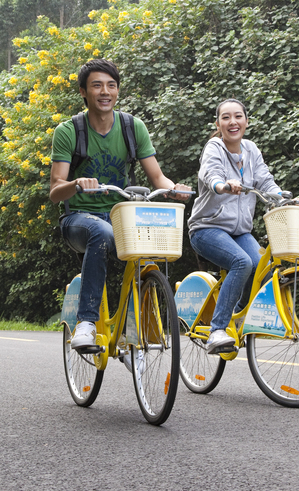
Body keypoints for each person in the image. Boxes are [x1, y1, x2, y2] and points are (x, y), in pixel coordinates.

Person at [49, 59, 190, 352]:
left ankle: (133, 329)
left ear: (117, 91)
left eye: (111, 85)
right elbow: (55, 190)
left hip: (122, 215)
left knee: (153, 245)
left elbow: (157, 177)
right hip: (79, 218)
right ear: (83, 92)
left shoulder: (131, 127)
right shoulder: (69, 131)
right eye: (97, 85)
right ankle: (86, 324)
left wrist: (175, 190)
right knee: (101, 233)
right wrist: (76, 184)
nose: (105, 91)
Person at [187, 98, 286, 354]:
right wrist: (223, 185)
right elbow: (211, 175)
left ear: (246, 121)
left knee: (260, 265)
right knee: (242, 262)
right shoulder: (214, 148)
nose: (233, 122)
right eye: (226, 117)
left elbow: (265, 179)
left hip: (240, 231)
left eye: (238, 116)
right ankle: (217, 330)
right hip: (206, 228)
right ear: (218, 124)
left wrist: (282, 197)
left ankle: (239, 316)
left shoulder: (251, 149)